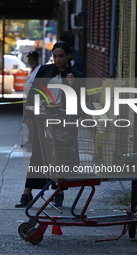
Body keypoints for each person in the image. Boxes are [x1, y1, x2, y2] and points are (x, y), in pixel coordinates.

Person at [15, 41, 84, 208]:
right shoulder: (45, 70)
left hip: (64, 120)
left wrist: (73, 85)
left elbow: (82, 101)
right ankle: (27, 192)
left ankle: (58, 191)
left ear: (68, 56)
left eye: (61, 56)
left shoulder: (76, 76)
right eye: (55, 56)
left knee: (60, 156)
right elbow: (33, 93)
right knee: (38, 154)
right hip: (43, 119)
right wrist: (28, 115)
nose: (57, 59)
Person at [22, 51, 41, 148]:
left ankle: (33, 142)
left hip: (34, 101)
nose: (31, 60)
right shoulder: (32, 70)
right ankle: (30, 140)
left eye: (33, 58)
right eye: (29, 58)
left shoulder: (38, 71)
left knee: (32, 121)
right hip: (29, 100)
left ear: (37, 59)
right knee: (28, 121)